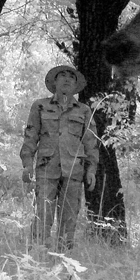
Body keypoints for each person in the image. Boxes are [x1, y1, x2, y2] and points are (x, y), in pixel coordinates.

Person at [20, 64, 99, 248]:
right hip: (46, 169)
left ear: (75, 84)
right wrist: (27, 164)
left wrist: (92, 169)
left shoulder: (84, 110)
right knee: (43, 215)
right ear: (54, 82)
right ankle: (37, 259)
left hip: (74, 171)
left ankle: (64, 263)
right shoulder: (40, 106)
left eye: (71, 77)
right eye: (61, 76)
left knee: (69, 219)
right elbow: (30, 136)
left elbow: (91, 142)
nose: (66, 79)